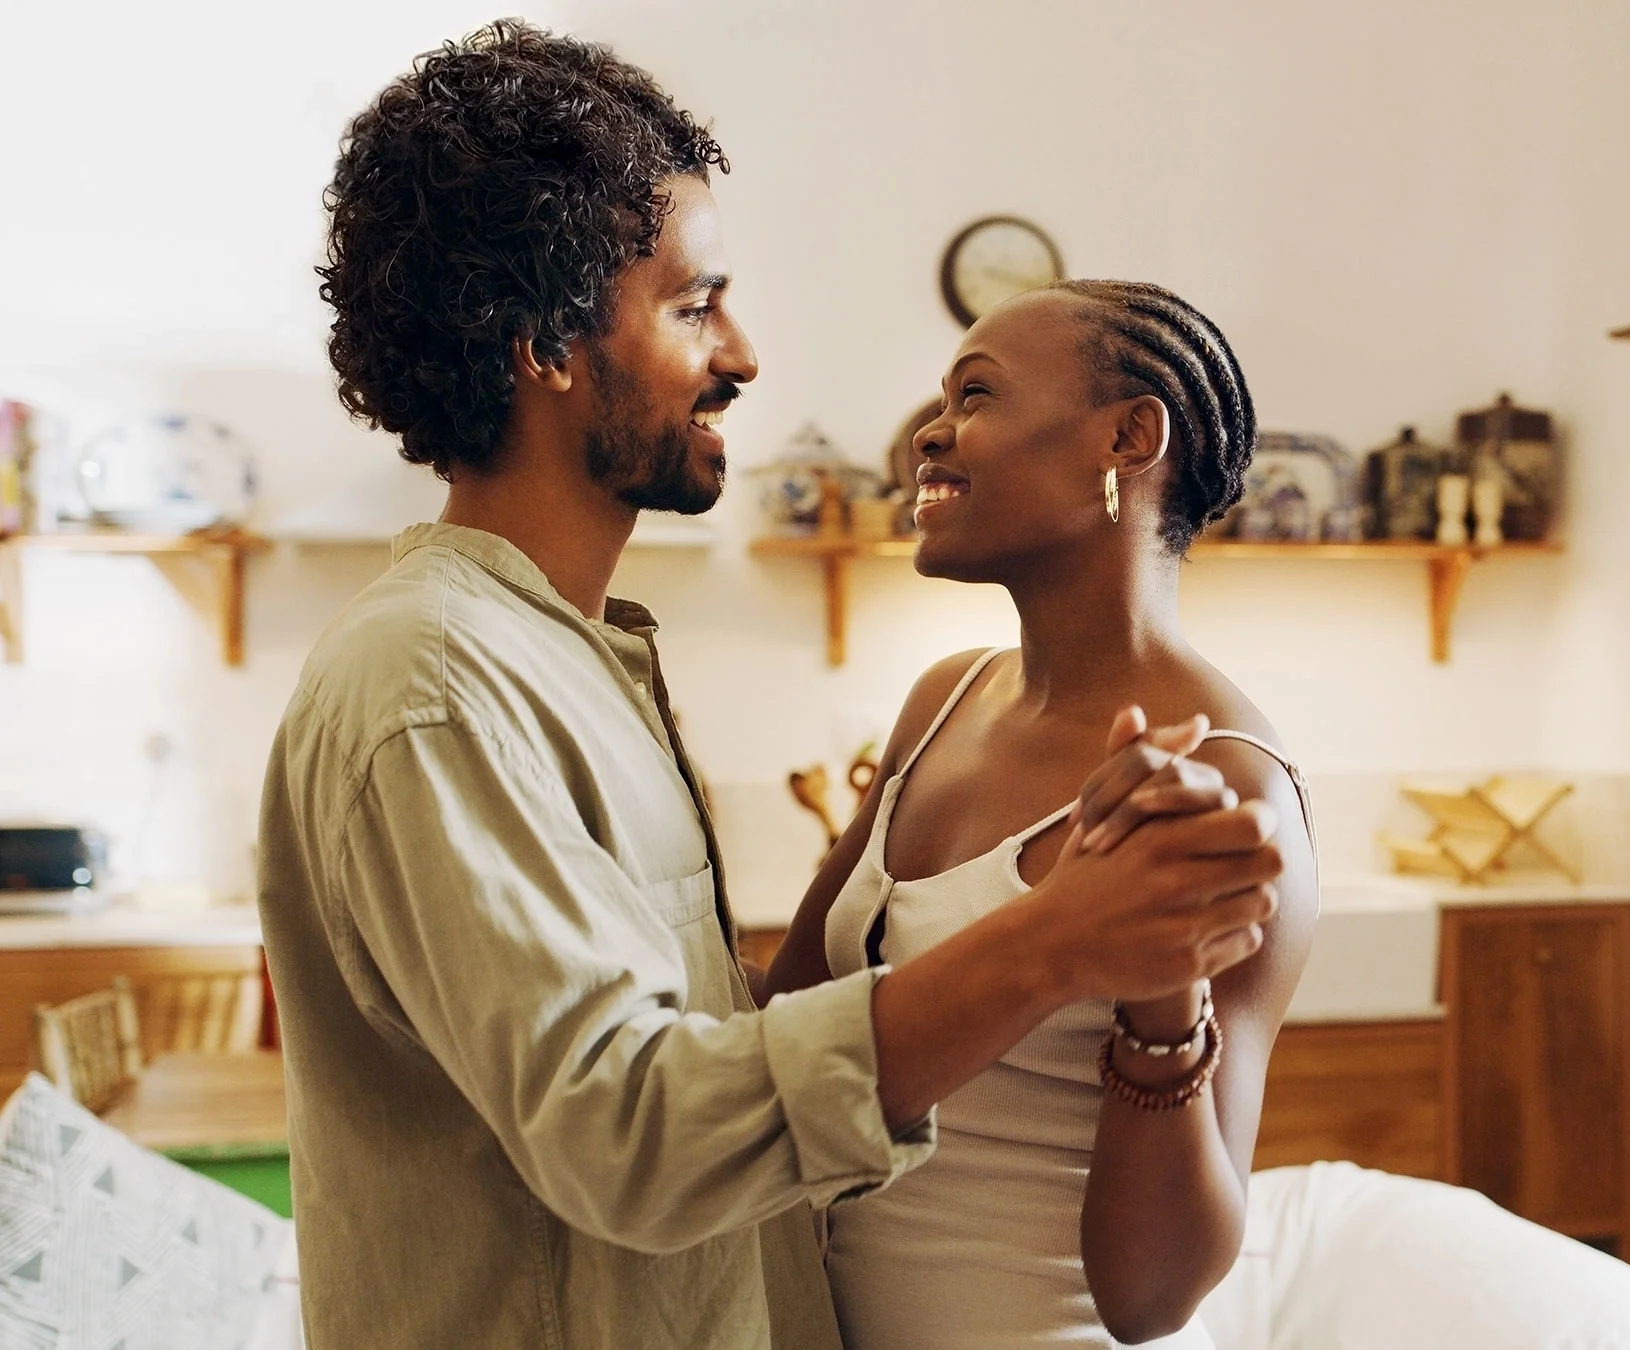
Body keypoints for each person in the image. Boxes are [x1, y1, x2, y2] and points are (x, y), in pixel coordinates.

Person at [258, 23, 1282, 1350]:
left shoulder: (576, 658)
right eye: (693, 305)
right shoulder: (433, 684)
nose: (738, 355)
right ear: (545, 345)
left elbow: (731, 1048)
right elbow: (629, 1134)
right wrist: (1060, 936)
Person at [764, 280, 1320, 1348]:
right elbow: (783, 1018)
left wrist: (1164, 996)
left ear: (1128, 437)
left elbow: (1150, 1300)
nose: (930, 433)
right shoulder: (942, 702)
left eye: (974, 394)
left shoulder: (1230, 787)